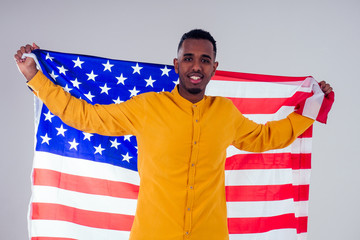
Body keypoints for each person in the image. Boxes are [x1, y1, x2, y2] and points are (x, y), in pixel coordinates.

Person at [15, 29, 332, 240]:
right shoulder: (148, 107)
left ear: (214, 67)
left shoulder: (225, 113)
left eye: (204, 60)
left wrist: (308, 112)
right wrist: (36, 78)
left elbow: (265, 138)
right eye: (190, 58)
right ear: (177, 64)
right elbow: (87, 116)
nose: (197, 66)